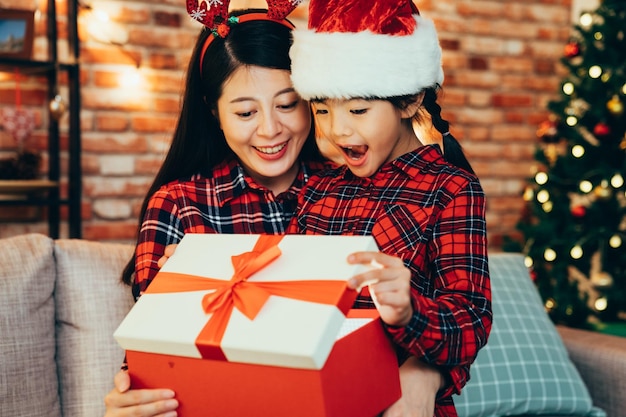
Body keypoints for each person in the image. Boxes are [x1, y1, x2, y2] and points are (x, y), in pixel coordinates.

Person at [104, 4, 445, 417]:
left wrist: (425, 372)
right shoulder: (178, 205)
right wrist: (135, 393)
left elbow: (429, 306)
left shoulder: (355, 185)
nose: (270, 130)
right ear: (215, 113)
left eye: (288, 104)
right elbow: (153, 352)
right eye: (246, 112)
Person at [286, 0, 492, 416]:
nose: (337, 128)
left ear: (411, 100)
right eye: (322, 108)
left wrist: (410, 310)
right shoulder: (317, 191)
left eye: (358, 109)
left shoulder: (451, 189)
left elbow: (471, 321)